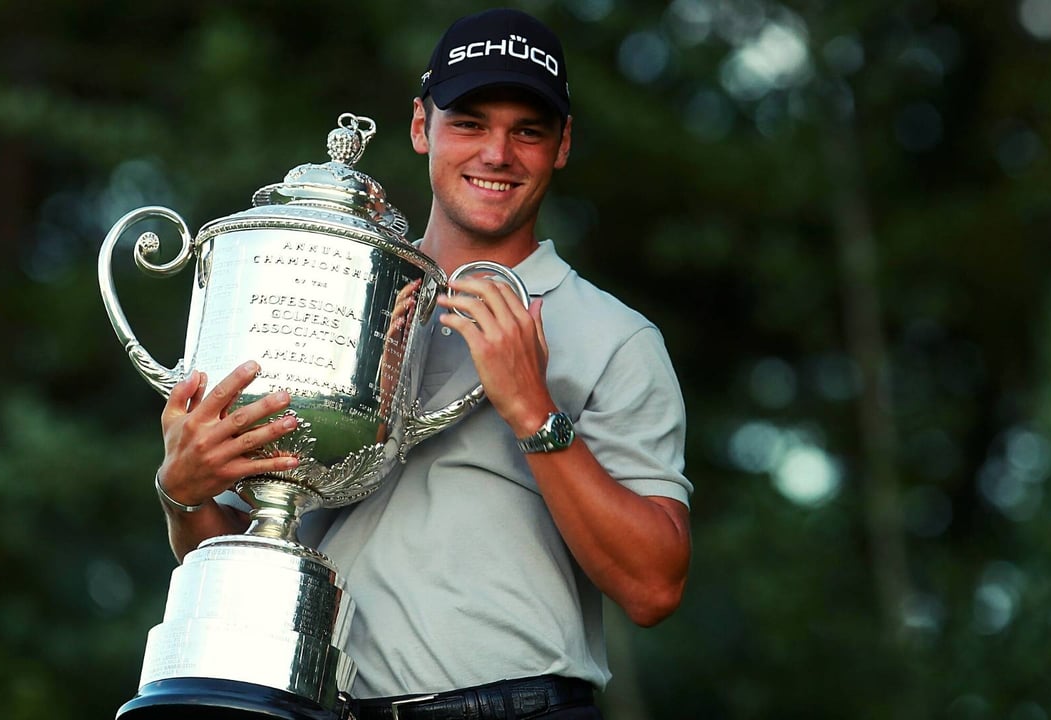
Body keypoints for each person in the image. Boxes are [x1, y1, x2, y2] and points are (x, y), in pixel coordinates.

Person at [152, 8, 692, 719]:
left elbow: (653, 588)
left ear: (561, 146)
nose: (496, 154)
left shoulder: (614, 337)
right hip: (313, 707)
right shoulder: (322, 297)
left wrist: (533, 408)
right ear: (419, 127)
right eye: (469, 122)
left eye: (526, 130)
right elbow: (231, 558)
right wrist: (182, 494)